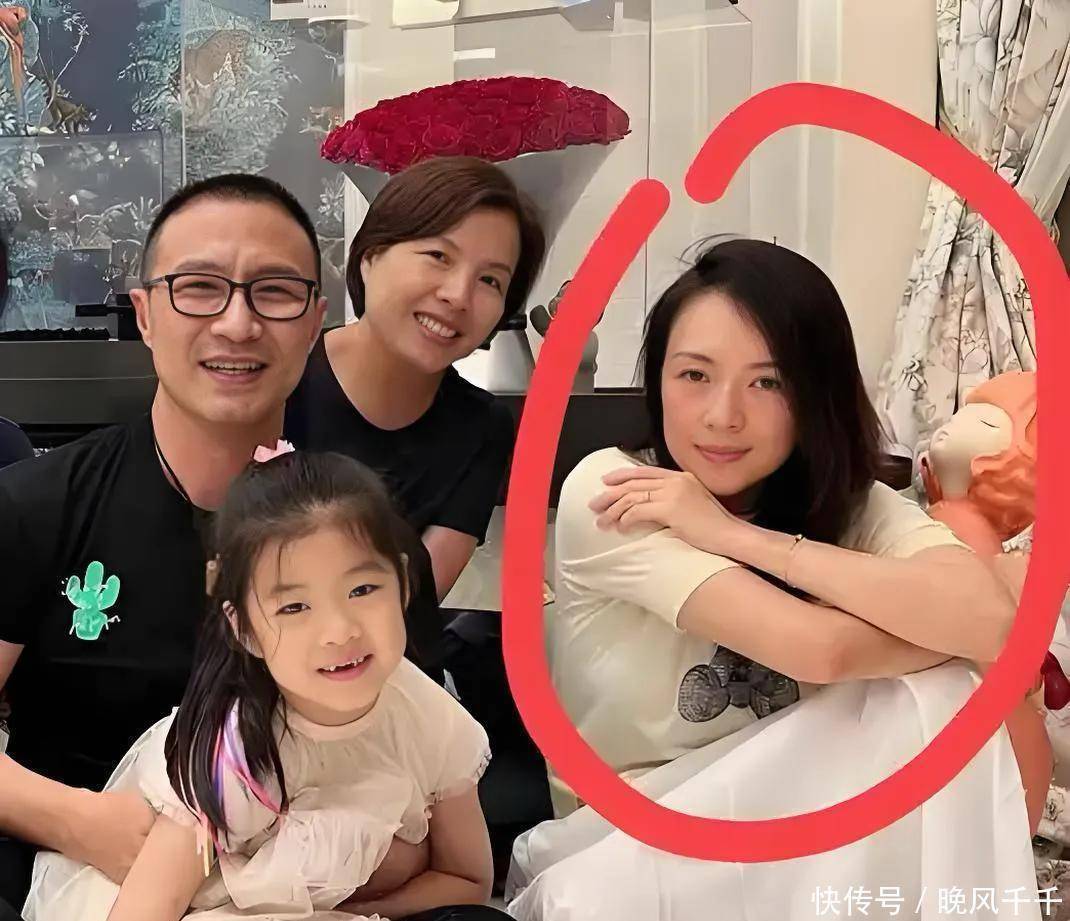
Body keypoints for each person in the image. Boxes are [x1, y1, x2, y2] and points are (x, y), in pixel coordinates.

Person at [507, 238, 1039, 920]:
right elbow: (821, 651)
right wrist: (946, 636)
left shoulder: (852, 505)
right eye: (694, 375)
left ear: (815, 393)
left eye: (768, 382)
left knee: (948, 692)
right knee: (944, 682)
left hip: (798, 846)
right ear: (657, 380)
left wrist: (738, 537)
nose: (723, 415)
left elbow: (991, 623)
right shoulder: (615, 490)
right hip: (630, 848)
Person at [0, 173, 327, 913]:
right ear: (145, 314)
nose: (237, 323)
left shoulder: (354, 527)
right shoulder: (37, 507)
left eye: (275, 292)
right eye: (199, 288)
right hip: (69, 869)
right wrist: (84, 823)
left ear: (314, 323)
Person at [24, 449, 511, 921]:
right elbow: (145, 912)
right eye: (294, 607)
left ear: (403, 582)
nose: (339, 631)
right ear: (245, 630)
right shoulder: (232, 749)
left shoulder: (429, 717)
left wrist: (355, 914)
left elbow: (466, 879)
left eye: (362, 589)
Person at [284, 155, 546, 605]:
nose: (458, 296)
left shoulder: (482, 429)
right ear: (370, 257)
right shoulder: (282, 379)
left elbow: (412, 603)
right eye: (438, 256)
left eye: (490, 280)